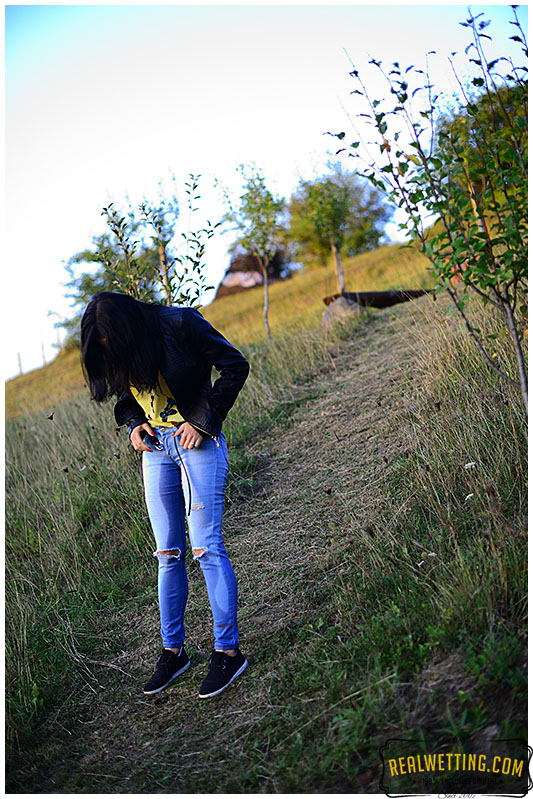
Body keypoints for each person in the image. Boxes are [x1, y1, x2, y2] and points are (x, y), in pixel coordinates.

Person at [80, 291, 250, 698]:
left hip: (198, 443)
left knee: (205, 547)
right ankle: (174, 652)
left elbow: (234, 365)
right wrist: (133, 425)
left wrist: (204, 420)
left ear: (128, 328)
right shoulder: (116, 342)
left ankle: (228, 652)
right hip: (156, 450)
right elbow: (128, 393)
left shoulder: (179, 323)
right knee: (167, 554)